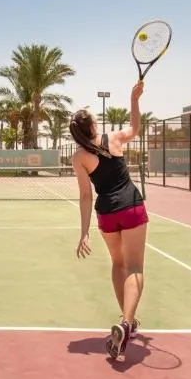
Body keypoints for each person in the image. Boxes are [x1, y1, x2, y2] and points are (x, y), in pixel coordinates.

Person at [71, 80, 148, 362]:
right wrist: (134, 99)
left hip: (107, 213)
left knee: (118, 264)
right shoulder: (113, 138)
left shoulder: (79, 157)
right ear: (93, 126)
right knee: (135, 267)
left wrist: (84, 233)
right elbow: (135, 129)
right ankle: (126, 324)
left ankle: (129, 323)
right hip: (131, 206)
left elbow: (85, 196)